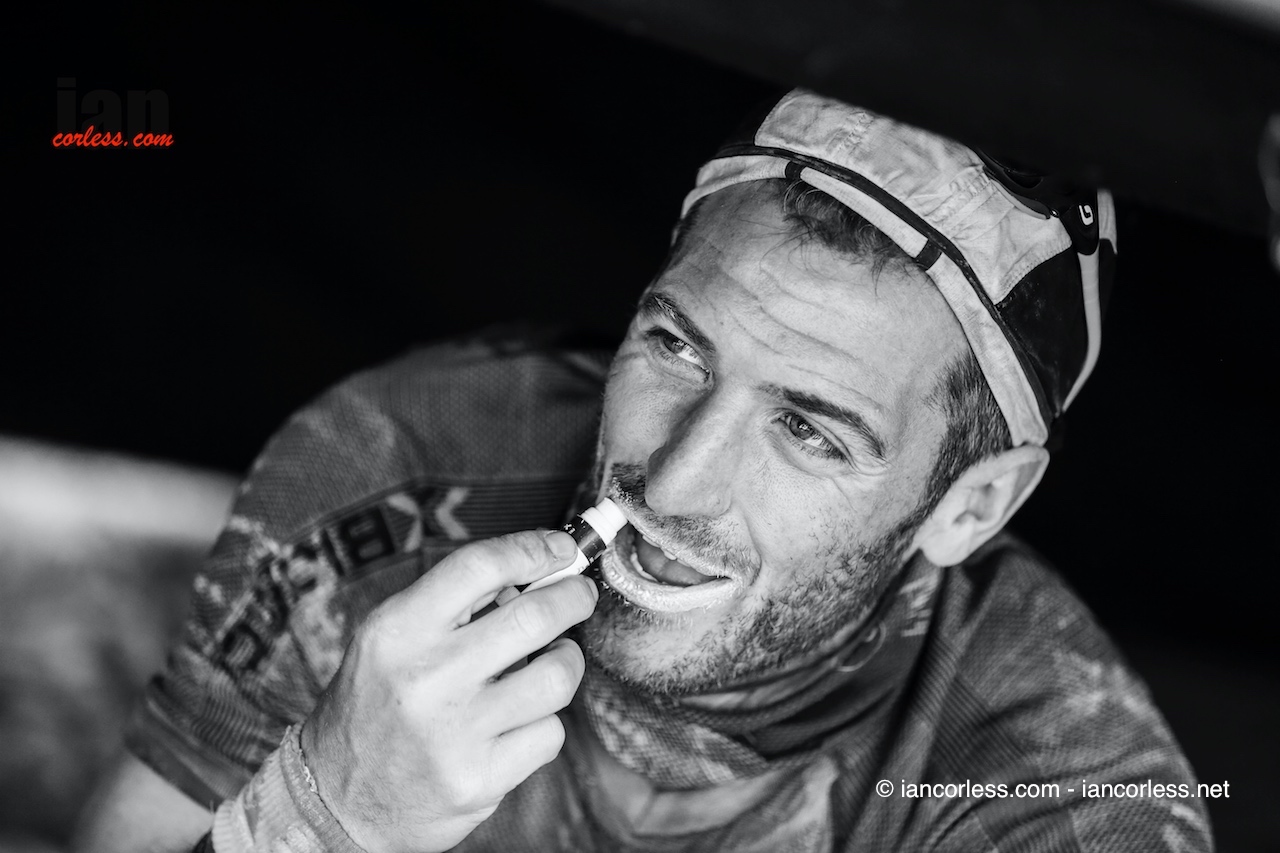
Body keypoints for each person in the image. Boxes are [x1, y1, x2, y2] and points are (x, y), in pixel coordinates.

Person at [74, 89, 1212, 852]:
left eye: (810, 431)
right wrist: (325, 815)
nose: (668, 485)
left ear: (972, 504)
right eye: (675, 348)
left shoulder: (1058, 794)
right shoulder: (402, 467)